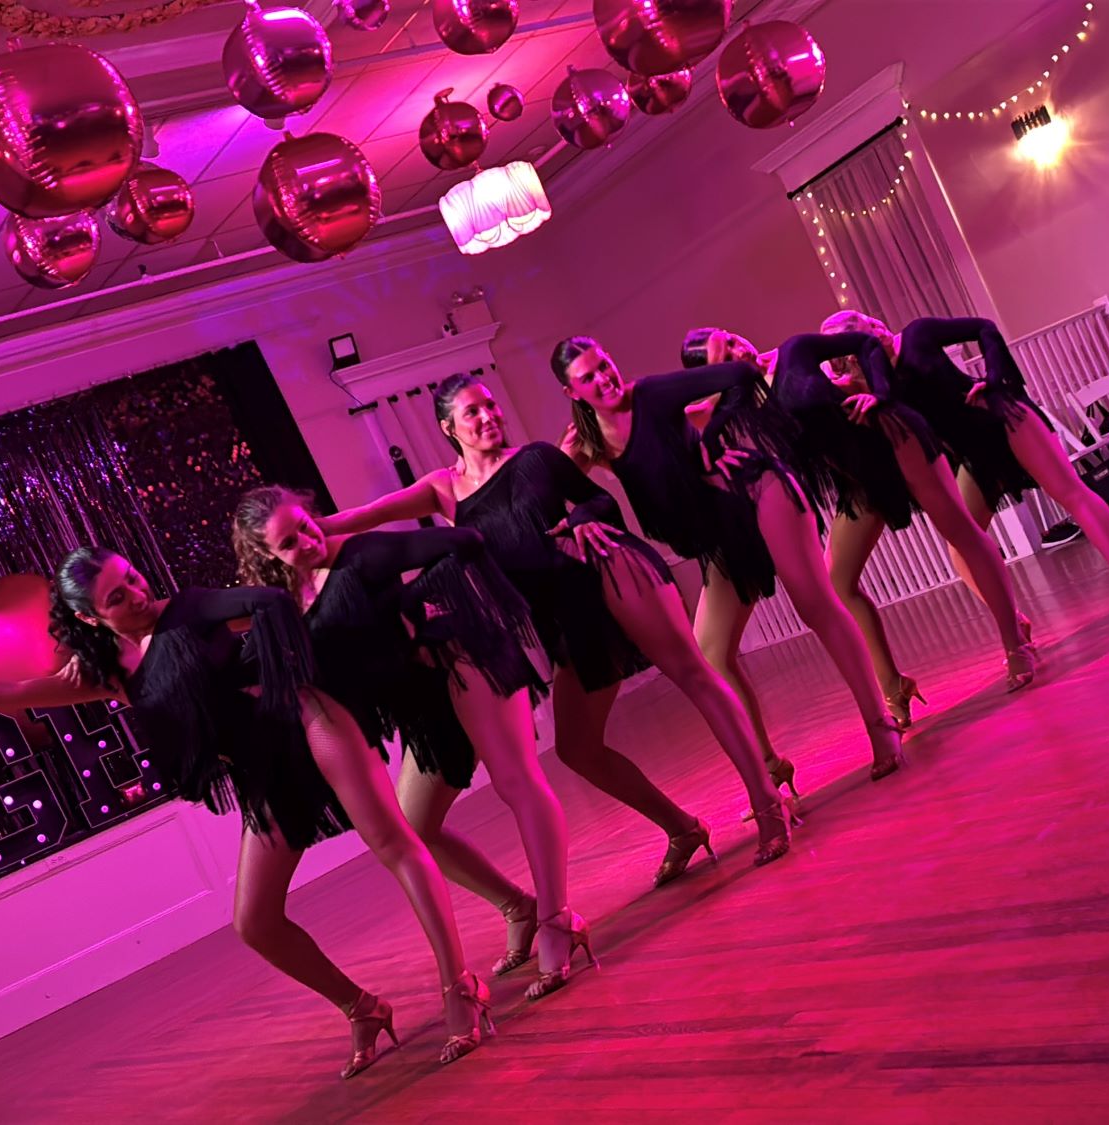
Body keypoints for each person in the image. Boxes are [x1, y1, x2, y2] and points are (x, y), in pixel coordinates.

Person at [0, 548, 493, 1075]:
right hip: (264, 775)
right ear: (89, 617)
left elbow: (270, 602)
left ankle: (459, 986)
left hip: (311, 726)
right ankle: (363, 1008)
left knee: (393, 844)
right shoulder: (109, 671)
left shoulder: (188, 609)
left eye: (133, 577)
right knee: (254, 922)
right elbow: (19, 690)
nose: (137, 594)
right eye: (117, 596)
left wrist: (281, 668)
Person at [316, 375, 795, 887]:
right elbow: (362, 516)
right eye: (473, 412)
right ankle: (681, 828)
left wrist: (584, 516)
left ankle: (768, 804)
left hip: (610, 571)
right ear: (448, 428)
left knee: (694, 676)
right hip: (566, 618)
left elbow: (600, 501)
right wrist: (294, 535)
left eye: (490, 405)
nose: (488, 417)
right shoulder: (442, 490)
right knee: (577, 747)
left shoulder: (537, 457)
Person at [231, 489, 594, 1001]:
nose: (307, 542)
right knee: (416, 828)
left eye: (306, 526)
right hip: (424, 706)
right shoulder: (288, 603)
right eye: (288, 542)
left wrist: (418, 615)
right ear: (266, 555)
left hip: (465, 663)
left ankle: (558, 920)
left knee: (518, 783)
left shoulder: (362, 554)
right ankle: (519, 907)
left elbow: (465, 541)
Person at [550, 335, 906, 785]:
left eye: (604, 364)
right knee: (712, 653)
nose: (604, 378)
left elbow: (741, 373)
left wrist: (712, 438)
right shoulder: (588, 442)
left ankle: (881, 726)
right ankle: (771, 770)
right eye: (589, 377)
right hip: (720, 535)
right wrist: (580, 514)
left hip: (758, 492)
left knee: (815, 604)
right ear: (572, 392)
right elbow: (558, 488)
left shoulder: (652, 394)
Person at [682, 326, 1037, 724]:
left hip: (896, 443)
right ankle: (894, 685)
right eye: (724, 356)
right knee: (838, 582)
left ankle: (1015, 643)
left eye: (732, 339)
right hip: (860, 481)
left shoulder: (795, 351)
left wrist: (879, 392)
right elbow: (678, 419)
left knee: (961, 533)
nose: (738, 350)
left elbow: (866, 343)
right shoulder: (737, 407)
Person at [823, 311, 1109, 629]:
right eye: (853, 350)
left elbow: (984, 327)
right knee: (961, 547)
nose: (868, 344)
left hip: (1004, 420)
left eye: (865, 333)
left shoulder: (917, 334)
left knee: (1071, 493)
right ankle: (1012, 621)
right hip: (975, 453)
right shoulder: (876, 384)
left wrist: (995, 376)